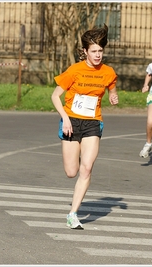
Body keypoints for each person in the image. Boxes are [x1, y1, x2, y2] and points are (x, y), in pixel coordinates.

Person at [51, 24, 119, 229]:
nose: (98, 55)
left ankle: (73, 214)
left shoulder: (108, 72)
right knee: (71, 172)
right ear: (85, 52)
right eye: (94, 51)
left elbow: (111, 89)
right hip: (71, 121)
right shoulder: (74, 70)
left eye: (100, 51)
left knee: (87, 169)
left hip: (93, 122)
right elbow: (55, 96)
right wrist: (66, 118)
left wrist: (113, 96)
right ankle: (76, 151)